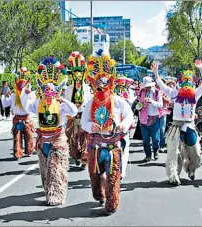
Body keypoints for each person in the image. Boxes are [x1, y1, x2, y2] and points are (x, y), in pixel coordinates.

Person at [81, 49, 134, 214]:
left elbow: (130, 116)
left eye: (104, 81)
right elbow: (84, 122)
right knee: (95, 176)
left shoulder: (119, 101)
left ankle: (112, 204)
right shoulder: (90, 103)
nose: (101, 84)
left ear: (110, 82)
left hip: (113, 147)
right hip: (96, 147)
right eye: (98, 82)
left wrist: (123, 125)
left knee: (112, 179)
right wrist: (92, 127)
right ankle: (100, 194)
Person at [20, 57, 78, 206]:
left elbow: (74, 110)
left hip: (58, 138)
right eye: (46, 90)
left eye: (52, 90)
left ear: (56, 91)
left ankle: (57, 195)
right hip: (43, 138)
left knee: (56, 168)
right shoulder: (38, 102)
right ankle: (49, 190)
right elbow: (27, 106)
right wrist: (25, 93)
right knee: (46, 169)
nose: (49, 92)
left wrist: (64, 101)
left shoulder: (60, 104)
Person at [152, 60, 202, 185]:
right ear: (180, 83)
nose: (187, 83)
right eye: (184, 80)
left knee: (196, 153)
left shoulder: (195, 94)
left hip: (189, 126)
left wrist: (201, 69)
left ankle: (191, 169)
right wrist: (156, 74)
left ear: (193, 83)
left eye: (189, 81)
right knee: (174, 154)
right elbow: (163, 86)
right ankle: (174, 176)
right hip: (176, 126)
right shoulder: (174, 94)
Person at [64, 51, 92, 169]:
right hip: (73, 116)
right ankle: (76, 156)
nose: (77, 76)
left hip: (84, 115)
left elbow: (89, 101)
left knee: (85, 137)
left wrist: (83, 106)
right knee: (74, 137)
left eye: (79, 74)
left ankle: (84, 157)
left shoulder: (86, 88)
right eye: (75, 74)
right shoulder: (69, 89)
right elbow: (66, 103)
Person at [1, 67, 35, 160]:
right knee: (17, 137)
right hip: (17, 119)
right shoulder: (13, 96)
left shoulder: (29, 94)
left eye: (22, 87)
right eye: (19, 87)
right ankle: (18, 152)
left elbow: (32, 104)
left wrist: (29, 94)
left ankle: (29, 151)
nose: (20, 90)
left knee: (29, 136)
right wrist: (4, 96)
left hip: (26, 118)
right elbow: (4, 104)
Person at [136, 76, 163, 162]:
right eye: (146, 86)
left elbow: (161, 105)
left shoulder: (157, 93)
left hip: (154, 118)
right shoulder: (141, 93)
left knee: (155, 138)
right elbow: (136, 107)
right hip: (143, 119)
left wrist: (151, 101)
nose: (147, 88)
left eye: (149, 86)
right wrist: (141, 105)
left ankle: (155, 151)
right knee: (145, 139)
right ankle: (148, 155)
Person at [114, 74, 135, 178]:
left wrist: (125, 100)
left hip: (125, 121)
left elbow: (132, 102)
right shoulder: (113, 93)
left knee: (125, 147)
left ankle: (122, 171)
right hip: (114, 124)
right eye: (119, 83)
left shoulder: (129, 91)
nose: (121, 84)